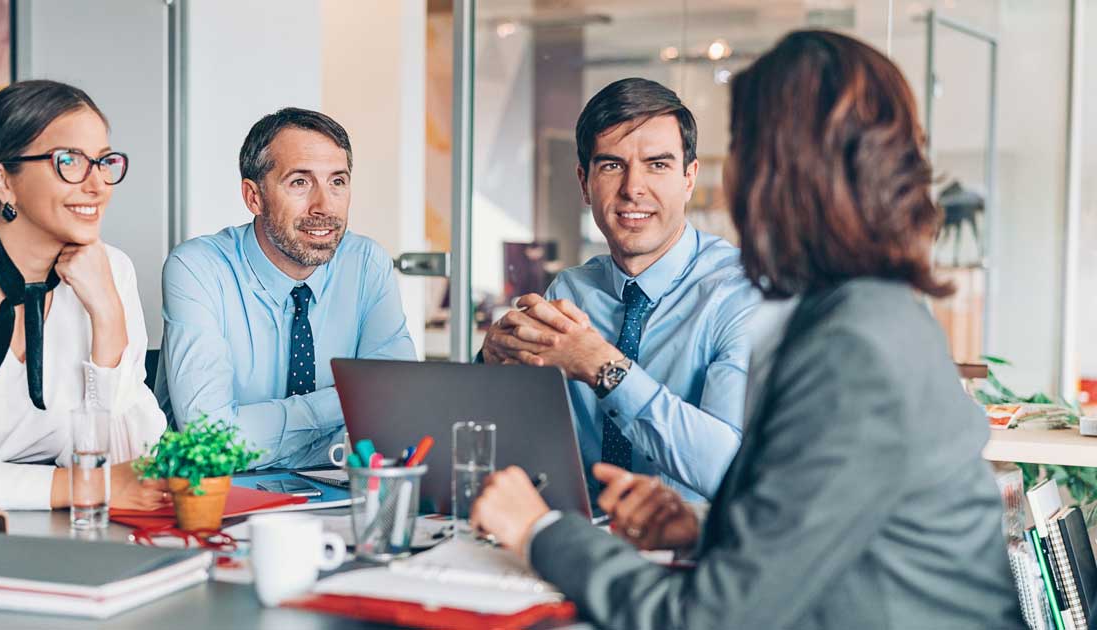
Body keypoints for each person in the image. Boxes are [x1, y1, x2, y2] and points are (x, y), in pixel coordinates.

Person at [470, 30, 1023, 628]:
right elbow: (824, 521)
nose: (732, 182)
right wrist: (708, 528)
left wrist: (539, 532)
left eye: (746, 150)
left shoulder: (852, 347)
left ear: (784, 173)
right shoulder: (862, 314)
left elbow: (711, 618)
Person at [480, 78, 758, 502]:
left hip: (686, 548)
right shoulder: (570, 290)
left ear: (689, 178)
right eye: (612, 165)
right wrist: (491, 365)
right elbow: (517, 441)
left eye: (658, 165)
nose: (633, 188)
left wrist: (603, 366)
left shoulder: (740, 294)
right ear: (584, 182)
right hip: (574, 534)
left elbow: (729, 470)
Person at [0, 80, 169, 511]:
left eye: (103, 162)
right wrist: (77, 486)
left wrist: (108, 320)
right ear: (3, 181)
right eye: (70, 162)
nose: (97, 184)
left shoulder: (111, 269)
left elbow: (131, 468)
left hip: (69, 537)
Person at [156, 108, 416, 469]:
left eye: (337, 182)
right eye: (300, 182)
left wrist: (253, 429)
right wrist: (349, 402)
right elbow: (209, 441)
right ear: (254, 197)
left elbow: (398, 416)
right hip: (215, 501)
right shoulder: (198, 269)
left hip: (338, 495)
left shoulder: (366, 264)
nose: (324, 206)